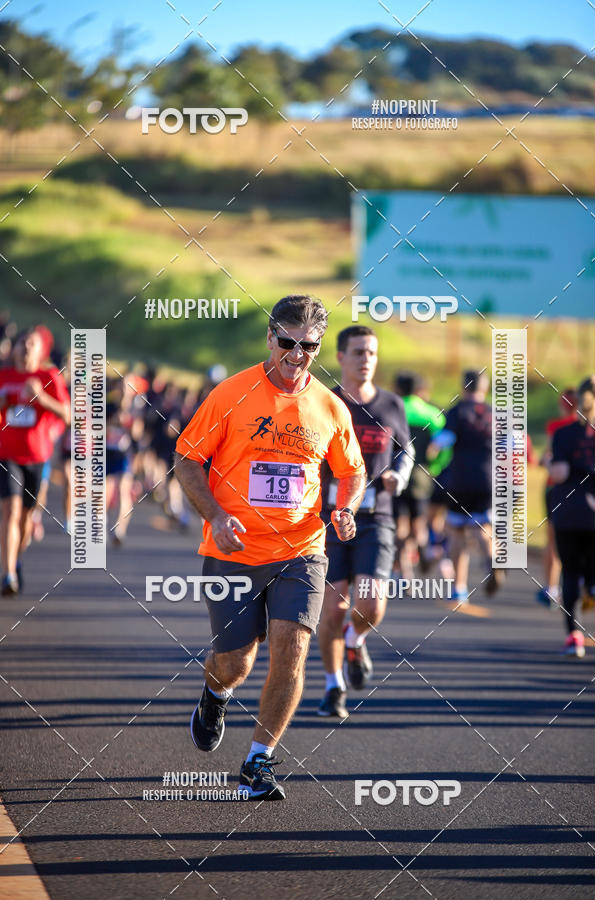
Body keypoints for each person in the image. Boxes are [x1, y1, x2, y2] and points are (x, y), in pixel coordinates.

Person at [174, 295, 366, 800]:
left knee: (292, 652)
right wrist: (215, 516)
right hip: (233, 550)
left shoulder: (329, 406)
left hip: (302, 550)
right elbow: (187, 460)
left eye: (309, 346)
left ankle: (259, 760)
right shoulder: (232, 394)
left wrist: (346, 508)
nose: (296, 354)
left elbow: (352, 472)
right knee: (236, 662)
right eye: (287, 342)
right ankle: (215, 693)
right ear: (269, 336)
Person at [318, 326, 413, 717]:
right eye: (358, 352)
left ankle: (355, 641)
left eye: (371, 352)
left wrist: (400, 478)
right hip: (329, 517)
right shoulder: (325, 402)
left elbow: (406, 451)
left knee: (371, 604)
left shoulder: (392, 405)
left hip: (376, 517)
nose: (366, 359)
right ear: (341, 357)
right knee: (334, 608)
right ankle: (333, 685)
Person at [0, 327, 70, 594]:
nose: (27, 347)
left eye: (33, 344)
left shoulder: (48, 376)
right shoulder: (4, 376)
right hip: (7, 455)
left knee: (26, 519)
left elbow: (67, 415)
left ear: (41, 351)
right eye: (23, 343)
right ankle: (8, 576)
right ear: (15, 349)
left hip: (37, 457)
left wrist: (41, 397)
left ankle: (14, 559)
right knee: (10, 511)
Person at [430, 370, 502, 604]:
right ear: (485, 387)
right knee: (483, 525)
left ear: (464, 387)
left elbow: (443, 441)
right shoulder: (494, 413)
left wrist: (432, 450)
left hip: (460, 478)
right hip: (489, 478)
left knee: (456, 530)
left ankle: (459, 588)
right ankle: (492, 557)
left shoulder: (457, 411)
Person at [549, 376, 595, 658]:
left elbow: (558, 474)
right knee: (593, 572)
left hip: (568, 512)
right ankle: (593, 588)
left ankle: (574, 635)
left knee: (569, 573)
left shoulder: (564, 434)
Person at [393, 372, 446, 578]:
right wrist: (436, 467)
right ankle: (423, 549)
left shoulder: (395, 409)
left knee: (400, 524)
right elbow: (444, 446)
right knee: (419, 521)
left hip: (398, 473)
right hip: (422, 474)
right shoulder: (433, 414)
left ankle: (405, 571)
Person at [537, 389, 578, 608]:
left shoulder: (556, 427)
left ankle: (552, 588)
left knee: (553, 540)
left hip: (556, 489)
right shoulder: (591, 428)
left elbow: (546, 459)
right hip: (585, 490)